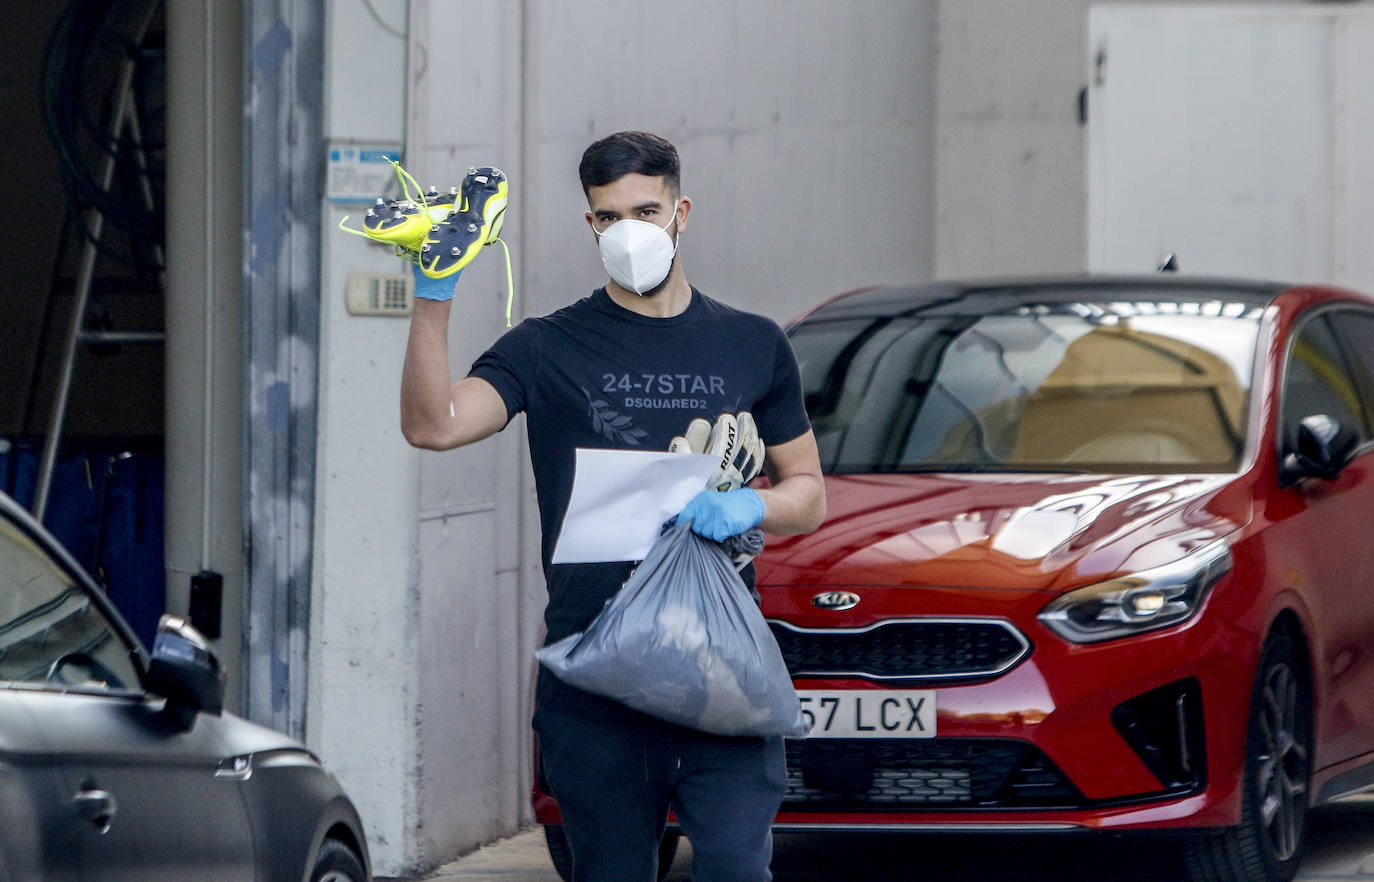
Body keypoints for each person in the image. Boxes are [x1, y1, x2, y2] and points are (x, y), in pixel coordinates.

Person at [399, 130, 826, 882]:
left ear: (681, 211)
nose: (630, 231)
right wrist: (434, 298)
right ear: (590, 225)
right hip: (594, 673)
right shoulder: (544, 347)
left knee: (734, 865)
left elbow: (808, 494)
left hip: (717, 666)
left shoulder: (752, 344)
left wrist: (750, 510)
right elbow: (434, 426)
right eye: (608, 216)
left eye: (646, 210)